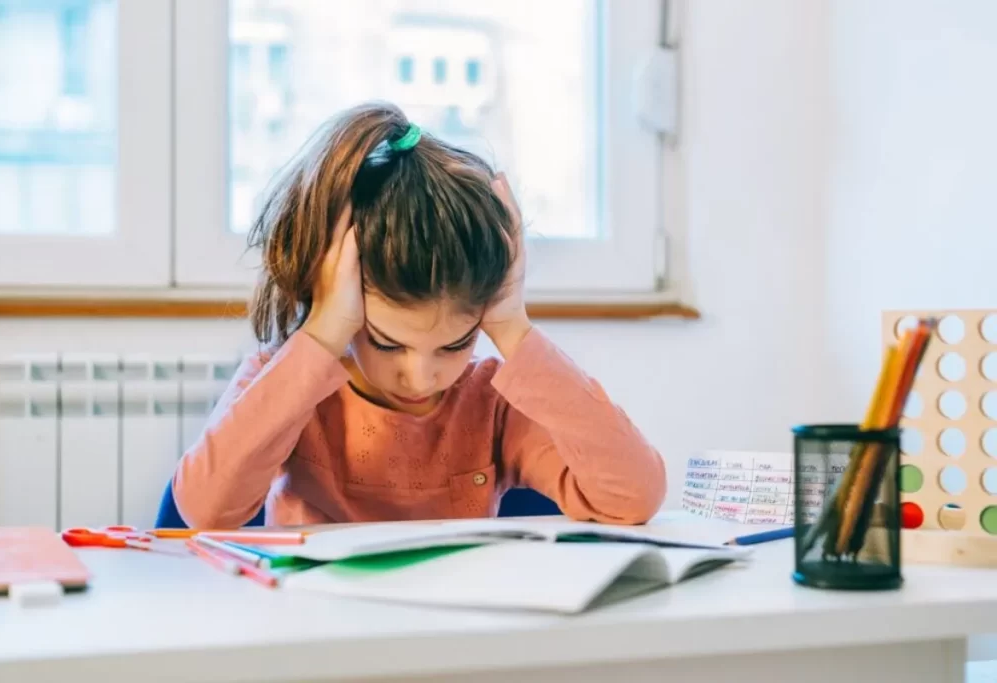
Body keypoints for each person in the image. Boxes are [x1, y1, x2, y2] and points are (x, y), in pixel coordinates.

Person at [172, 102, 666, 529]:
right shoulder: (284, 384)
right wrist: (322, 331)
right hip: (317, 630)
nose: (421, 376)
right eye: (388, 344)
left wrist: (512, 326)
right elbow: (206, 511)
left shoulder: (491, 406)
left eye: (455, 344)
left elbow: (633, 497)